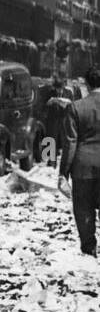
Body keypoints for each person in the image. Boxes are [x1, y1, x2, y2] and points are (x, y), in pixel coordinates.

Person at [59, 67, 100, 255]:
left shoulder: (76, 107)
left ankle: (89, 248)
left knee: (84, 210)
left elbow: (70, 144)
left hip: (83, 167)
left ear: (87, 84)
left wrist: (63, 174)